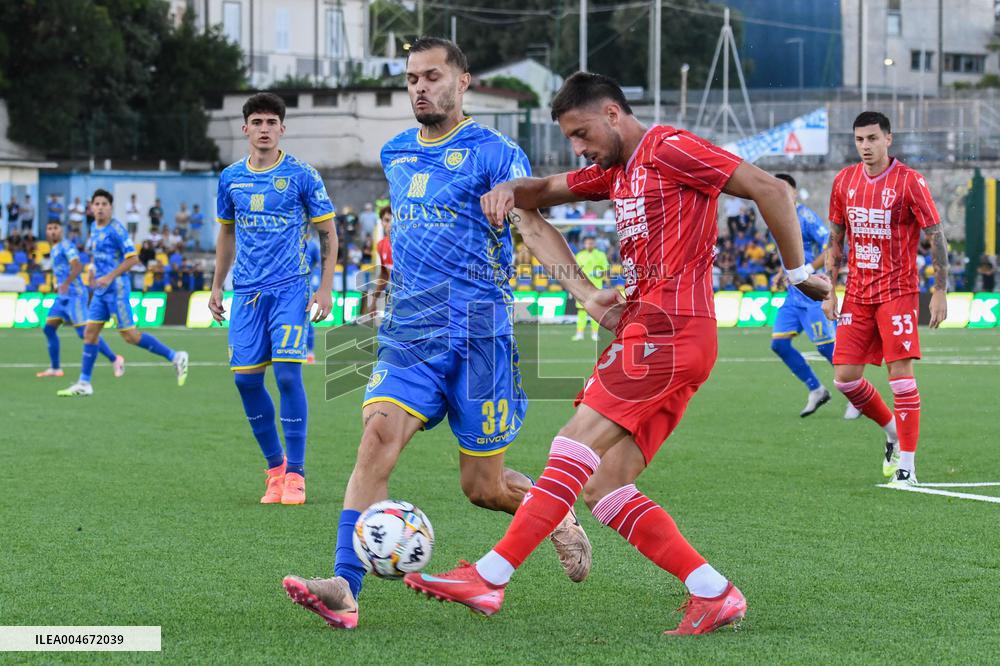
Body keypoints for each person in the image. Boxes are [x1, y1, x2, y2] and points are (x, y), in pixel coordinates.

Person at [403, 72, 829, 635]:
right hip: (665, 332)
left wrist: (798, 273)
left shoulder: (669, 148)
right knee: (604, 483)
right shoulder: (618, 171)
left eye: (581, 133)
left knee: (571, 445)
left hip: (668, 328)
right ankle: (713, 592)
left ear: (612, 113)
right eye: (571, 139)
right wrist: (512, 190)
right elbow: (549, 189)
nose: (579, 147)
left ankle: (489, 576)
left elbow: (771, 189)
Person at [281, 37, 591, 631]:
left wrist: (584, 292)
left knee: (484, 487)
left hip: (483, 334)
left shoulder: (498, 153)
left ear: (463, 82)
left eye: (431, 76)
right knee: (375, 441)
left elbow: (532, 226)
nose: (419, 88)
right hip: (412, 329)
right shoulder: (395, 151)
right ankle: (345, 588)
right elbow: (410, 241)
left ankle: (556, 515)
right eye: (410, 79)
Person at [209, 92, 338, 506]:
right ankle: (275, 469)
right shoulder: (230, 178)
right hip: (246, 293)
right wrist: (216, 285)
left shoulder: (302, 175)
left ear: (282, 128)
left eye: (271, 122)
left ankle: (297, 475)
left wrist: (325, 287)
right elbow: (226, 233)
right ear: (245, 128)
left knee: (286, 374)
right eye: (257, 122)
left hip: (290, 289)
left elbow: (328, 233)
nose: (264, 129)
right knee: (245, 380)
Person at [824, 111, 949, 487]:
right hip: (858, 293)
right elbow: (835, 239)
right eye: (860, 139)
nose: (866, 146)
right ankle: (893, 430)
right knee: (845, 378)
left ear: (888, 139)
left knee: (901, 376)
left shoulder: (910, 182)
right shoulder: (844, 181)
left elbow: (936, 235)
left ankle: (907, 467)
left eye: (873, 138)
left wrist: (940, 289)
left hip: (898, 291)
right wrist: (831, 289)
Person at [57, 189, 188, 397]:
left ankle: (175, 356)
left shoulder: (116, 229)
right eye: (96, 204)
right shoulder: (93, 227)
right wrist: (93, 270)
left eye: (104, 204)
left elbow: (133, 259)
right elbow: (100, 255)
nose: (99, 207)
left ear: (110, 207)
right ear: (91, 207)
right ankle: (84, 382)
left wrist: (109, 276)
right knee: (90, 333)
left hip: (116, 289)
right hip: (101, 290)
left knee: (130, 336)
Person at [768, 173, 841, 417]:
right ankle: (816, 389)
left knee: (826, 349)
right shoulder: (776, 216)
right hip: (793, 296)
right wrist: (781, 273)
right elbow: (789, 252)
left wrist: (807, 271)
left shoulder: (806, 216)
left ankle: (857, 394)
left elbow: (829, 245)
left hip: (811, 293)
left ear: (795, 192)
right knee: (779, 344)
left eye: (785, 189)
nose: (780, 193)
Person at [36, 219, 124, 379]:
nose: (52, 231)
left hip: (75, 295)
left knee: (85, 333)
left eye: (55, 227)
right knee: (49, 329)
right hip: (62, 296)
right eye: (49, 228)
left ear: (61, 230)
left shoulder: (66, 246)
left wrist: (66, 283)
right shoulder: (54, 248)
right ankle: (55, 368)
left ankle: (115, 359)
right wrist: (59, 284)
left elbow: (78, 266)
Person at [571, 235, 609, 341]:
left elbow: (605, 269)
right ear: (584, 244)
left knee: (596, 311)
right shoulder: (579, 255)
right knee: (581, 310)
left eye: (591, 243)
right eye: (587, 243)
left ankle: (595, 333)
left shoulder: (601, 255)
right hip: (582, 288)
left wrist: (599, 272)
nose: (589, 244)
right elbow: (575, 271)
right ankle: (579, 333)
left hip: (596, 287)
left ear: (594, 243)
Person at [366, 205, 393, 315]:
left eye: (393, 220)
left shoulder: (408, 244)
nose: (390, 224)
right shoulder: (381, 245)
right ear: (381, 222)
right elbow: (384, 275)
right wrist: (374, 301)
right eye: (386, 220)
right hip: (396, 298)